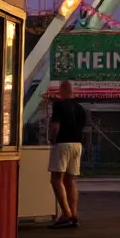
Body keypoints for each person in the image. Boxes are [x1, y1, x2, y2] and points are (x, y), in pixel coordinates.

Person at [47, 80, 85, 228]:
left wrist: (52, 139)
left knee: (56, 179)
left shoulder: (59, 105)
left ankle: (66, 214)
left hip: (62, 144)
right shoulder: (80, 108)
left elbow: (56, 126)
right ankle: (74, 213)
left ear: (61, 91)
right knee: (70, 180)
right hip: (77, 145)